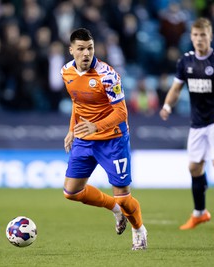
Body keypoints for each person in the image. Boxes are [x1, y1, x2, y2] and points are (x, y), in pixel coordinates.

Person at [61, 28, 147, 250]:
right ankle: (115, 210)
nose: (86, 53)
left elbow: (121, 113)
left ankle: (139, 230)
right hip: (85, 137)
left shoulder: (108, 75)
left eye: (89, 48)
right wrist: (72, 129)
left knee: (124, 198)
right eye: (80, 49)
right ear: (71, 51)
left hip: (113, 139)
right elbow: (77, 103)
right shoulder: (66, 72)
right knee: (71, 191)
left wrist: (95, 126)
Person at [159, 18, 214, 231]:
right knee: (194, 167)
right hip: (196, 124)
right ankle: (200, 213)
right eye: (195, 35)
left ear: (210, 36)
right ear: (191, 37)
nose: (199, 39)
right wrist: (167, 106)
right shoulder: (185, 62)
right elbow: (176, 89)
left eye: (203, 35)